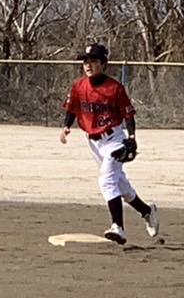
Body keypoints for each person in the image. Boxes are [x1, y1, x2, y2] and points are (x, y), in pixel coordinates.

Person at [60, 42, 159, 245]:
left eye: (94, 61)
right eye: (85, 62)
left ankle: (118, 228)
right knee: (119, 183)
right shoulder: (79, 86)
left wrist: (132, 138)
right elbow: (72, 108)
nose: (88, 65)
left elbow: (128, 114)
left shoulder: (115, 88)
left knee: (106, 180)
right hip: (93, 142)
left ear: (104, 64)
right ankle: (147, 211)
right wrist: (66, 127)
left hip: (114, 139)